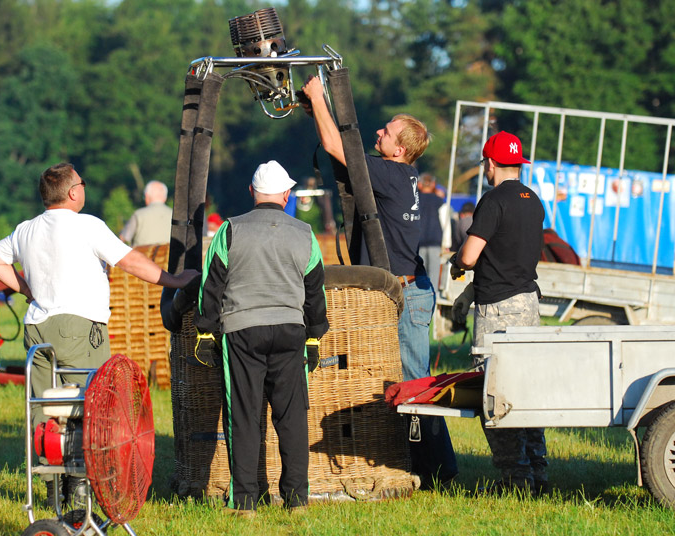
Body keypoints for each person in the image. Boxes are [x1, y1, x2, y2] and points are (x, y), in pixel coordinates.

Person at [0, 162, 198, 506]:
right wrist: (174, 281)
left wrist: (26, 289)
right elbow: (130, 261)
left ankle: (54, 487)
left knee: (45, 409)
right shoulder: (88, 226)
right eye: (81, 183)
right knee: (92, 407)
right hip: (81, 325)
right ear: (72, 192)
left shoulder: (25, 229)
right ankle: (83, 489)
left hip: (37, 326)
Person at [300, 76, 457, 487]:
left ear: (399, 150)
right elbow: (339, 155)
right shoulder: (400, 175)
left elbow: (338, 149)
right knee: (410, 381)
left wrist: (319, 96)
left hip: (406, 291)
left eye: (385, 132)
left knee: (415, 385)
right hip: (411, 287)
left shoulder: (389, 174)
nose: (377, 132)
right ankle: (420, 461)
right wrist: (315, 109)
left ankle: (439, 471)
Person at [194, 160, 329, 516]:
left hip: (242, 331)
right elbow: (316, 290)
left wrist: (206, 331)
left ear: (252, 193)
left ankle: (245, 502)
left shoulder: (230, 230)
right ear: (286, 195)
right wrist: (314, 337)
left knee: (244, 414)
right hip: (290, 330)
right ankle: (297, 499)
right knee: (292, 417)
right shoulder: (305, 233)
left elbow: (212, 285)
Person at [449, 131, 546, 495]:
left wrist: (458, 261)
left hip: (498, 312)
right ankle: (539, 473)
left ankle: (514, 482)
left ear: (490, 163)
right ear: (518, 163)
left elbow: (471, 256)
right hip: (529, 306)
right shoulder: (533, 201)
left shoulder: (492, 201)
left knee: (495, 394)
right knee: (526, 393)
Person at [119, 180, 173, 246]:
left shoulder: (138, 214)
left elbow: (123, 238)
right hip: (167, 255)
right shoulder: (174, 215)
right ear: (165, 198)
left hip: (143, 255)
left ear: (147, 196)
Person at [417, 173, 444, 291]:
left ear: (419, 184)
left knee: (419, 274)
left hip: (418, 242)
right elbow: (445, 223)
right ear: (433, 184)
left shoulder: (414, 200)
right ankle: (433, 303)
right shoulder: (440, 201)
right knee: (433, 275)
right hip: (435, 241)